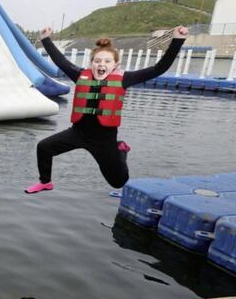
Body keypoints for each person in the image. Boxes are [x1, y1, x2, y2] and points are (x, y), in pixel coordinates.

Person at [25, 26, 188, 194]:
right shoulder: (81, 75)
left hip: (104, 140)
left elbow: (159, 68)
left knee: (118, 182)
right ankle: (45, 182)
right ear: (91, 64)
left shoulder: (125, 79)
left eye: (107, 61)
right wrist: (46, 40)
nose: (101, 64)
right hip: (77, 133)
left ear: (115, 65)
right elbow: (60, 61)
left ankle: (121, 150)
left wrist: (177, 41)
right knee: (44, 147)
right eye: (97, 61)